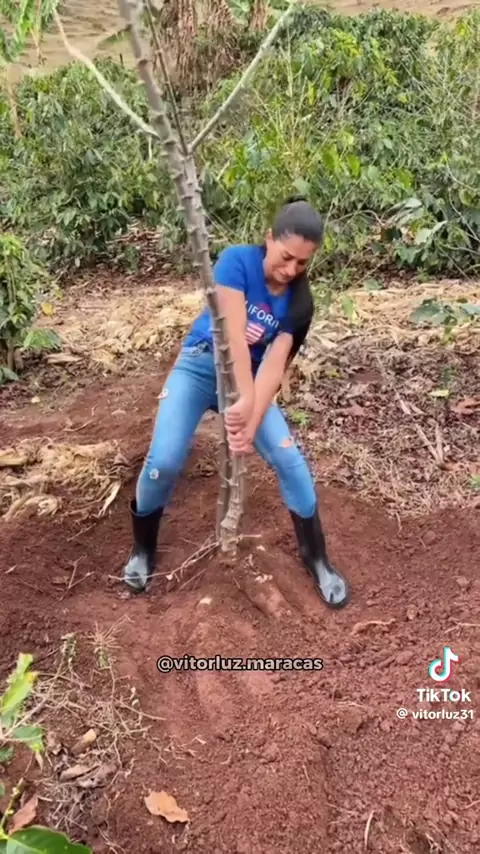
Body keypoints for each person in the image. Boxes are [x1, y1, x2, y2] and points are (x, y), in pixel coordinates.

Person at [121, 196, 349, 609]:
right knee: (164, 462)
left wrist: (250, 418)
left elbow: (274, 367)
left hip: (255, 382)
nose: (291, 270)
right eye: (285, 257)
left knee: (290, 460)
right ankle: (142, 549)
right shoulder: (235, 262)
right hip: (200, 367)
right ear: (269, 239)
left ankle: (316, 557)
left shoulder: (300, 302)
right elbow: (233, 339)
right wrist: (242, 401)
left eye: (302, 263)